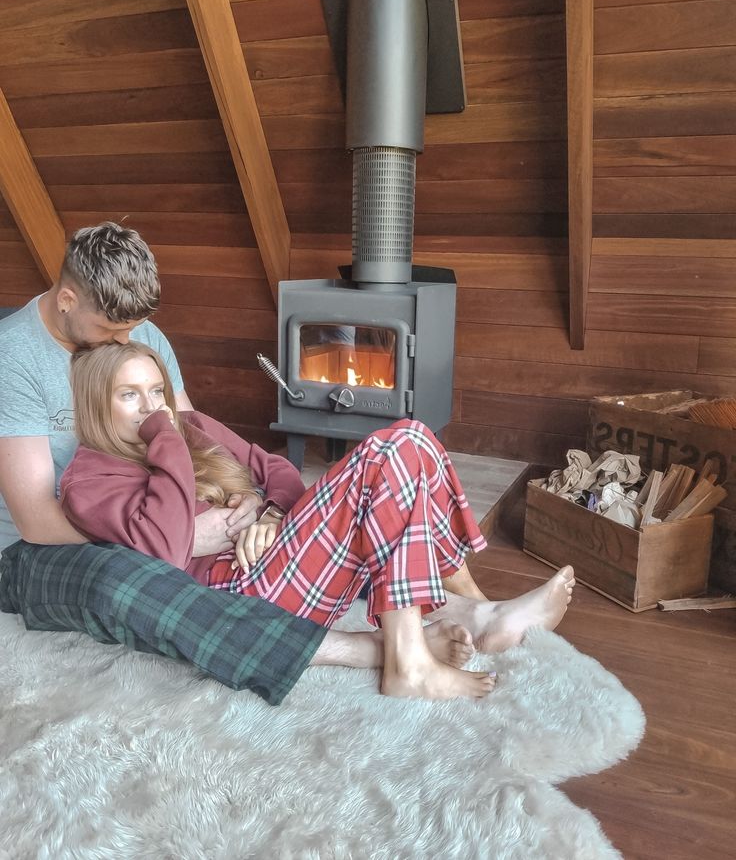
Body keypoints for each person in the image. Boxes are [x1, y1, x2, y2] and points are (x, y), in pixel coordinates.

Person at [0, 221, 574, 703]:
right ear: (68, 300)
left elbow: (201, 444)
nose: (126, 340)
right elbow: (37, 517)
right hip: (40, 548)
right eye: (112, 332)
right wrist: (177, 539)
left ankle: (469, 607)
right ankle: (381, 651)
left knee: (407, 441)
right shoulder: (34, 384)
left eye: (136, 336)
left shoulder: (135, 339)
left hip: (229, 538)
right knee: (122, 580)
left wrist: (258, 508)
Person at [59, 341, 576, 700]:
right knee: (389, 452)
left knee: (412, 436)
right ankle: (408, 662)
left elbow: (276, 469)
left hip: (279, 554)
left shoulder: (192, 423)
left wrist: (273, 512)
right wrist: (165, 440)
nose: (154, 409)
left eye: (157, 392)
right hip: (237, 593)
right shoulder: (88, 480)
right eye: (130, 395)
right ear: (97, 406)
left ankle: (478, 616)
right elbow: (164, 547)